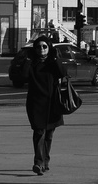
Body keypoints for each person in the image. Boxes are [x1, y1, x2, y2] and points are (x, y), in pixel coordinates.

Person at [21, 36, 66, 175]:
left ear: (49, 48)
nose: (41, 49)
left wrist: (55, 58)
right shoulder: (32, 63)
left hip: (53, 103)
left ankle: (45, 160)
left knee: (50, 134)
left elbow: (62, 73)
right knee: (39, 132)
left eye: (44, 47)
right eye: (38, 47)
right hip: (36, 103)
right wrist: (27, 61)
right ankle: (38, 163)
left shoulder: (52, 62)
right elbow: (22, 76)